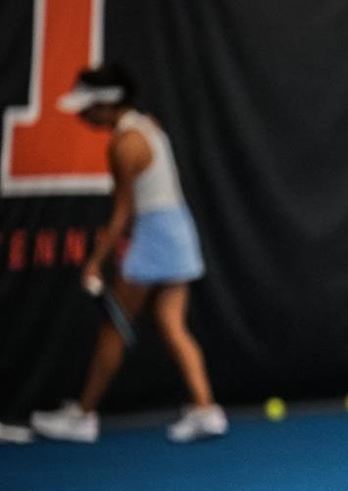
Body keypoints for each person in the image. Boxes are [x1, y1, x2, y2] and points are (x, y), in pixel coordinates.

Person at [32, 63, 226, 444]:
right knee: (171, 324)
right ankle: (206, 410)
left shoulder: (123, 144)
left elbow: (123, 212)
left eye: (88, 107)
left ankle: (84, 418)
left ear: (108, 105)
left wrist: (94, 262)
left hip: (157, 236)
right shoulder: (146, 124)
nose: (83, 116)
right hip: (177, 230)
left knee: (116, 326)